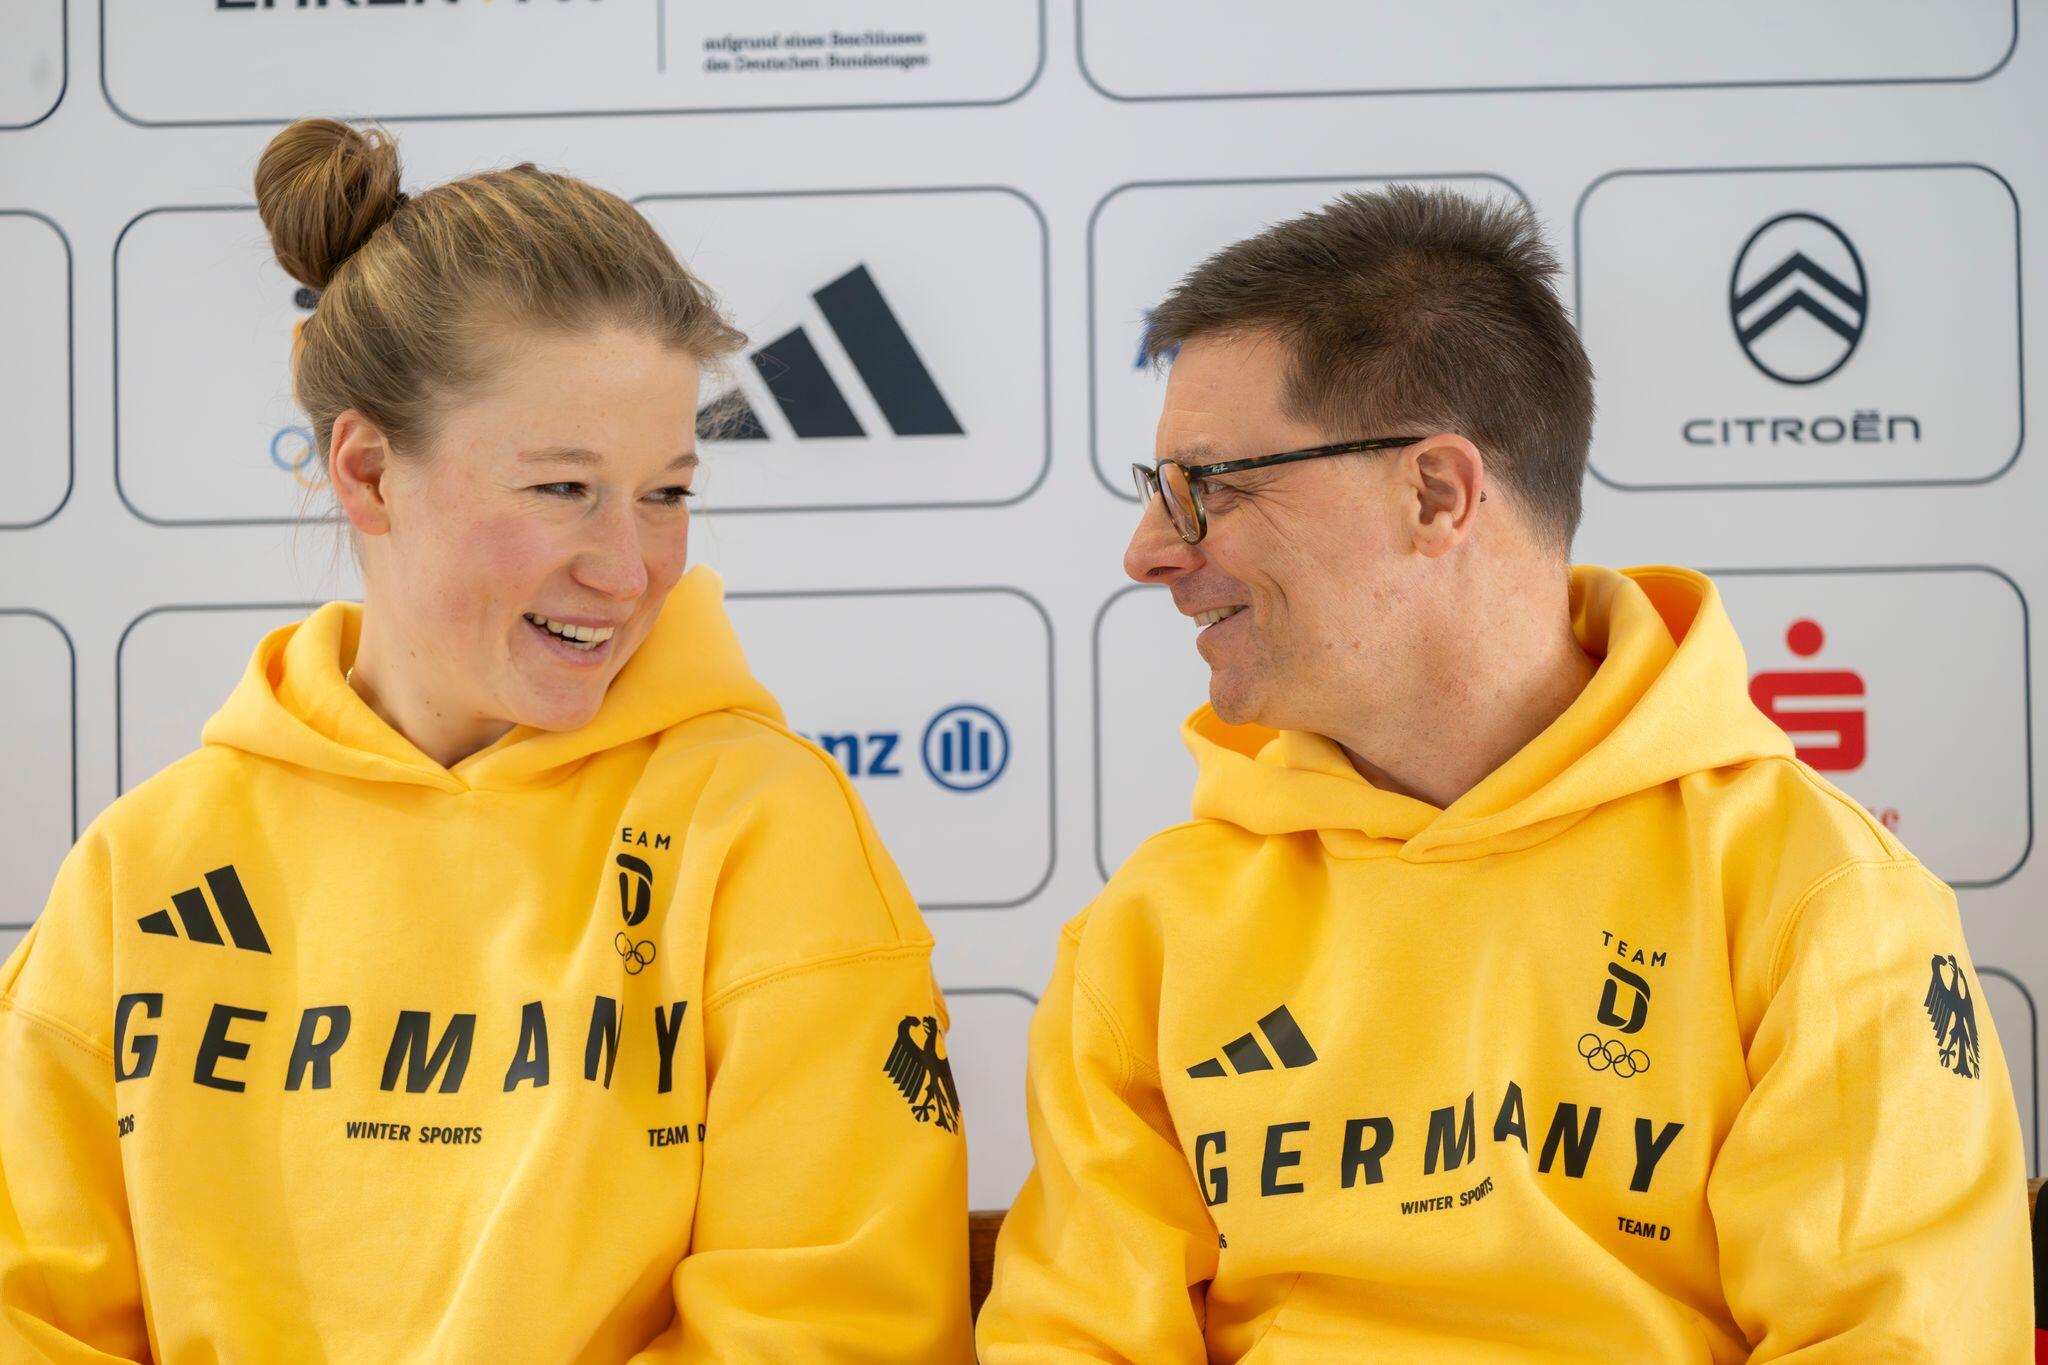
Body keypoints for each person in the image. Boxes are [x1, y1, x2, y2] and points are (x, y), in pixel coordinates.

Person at [978, 186, 2029, 1361]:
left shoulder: (1812, 896)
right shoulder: (1152, 930)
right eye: (1160, 490)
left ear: (1435, 493)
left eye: (1209, 485)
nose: (1149, 552)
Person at [0, 119, 970, 1361]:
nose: (628, 569)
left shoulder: (760, 832)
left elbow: (830, 1330)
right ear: (367, 473)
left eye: (666, 493)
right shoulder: (146, 864)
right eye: (562, 487)